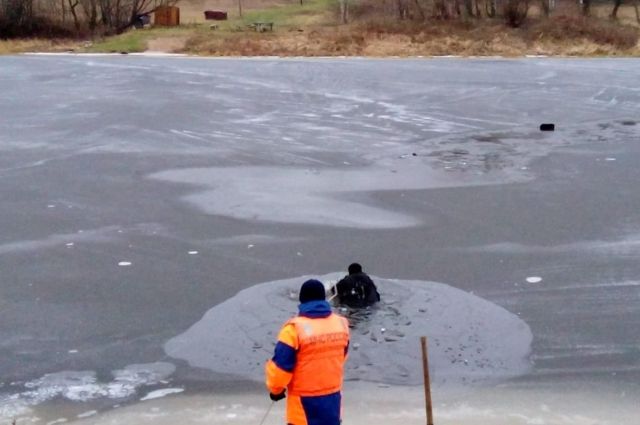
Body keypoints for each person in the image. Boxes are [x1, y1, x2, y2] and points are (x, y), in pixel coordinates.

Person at [265, 279, 350, 425]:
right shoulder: (341, 324)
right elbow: (341, 357)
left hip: (303, 404)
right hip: (332, 401)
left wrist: (276, 391)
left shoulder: (293, 330)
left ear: (302, 300)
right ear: (323, 298)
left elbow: (280, 369)